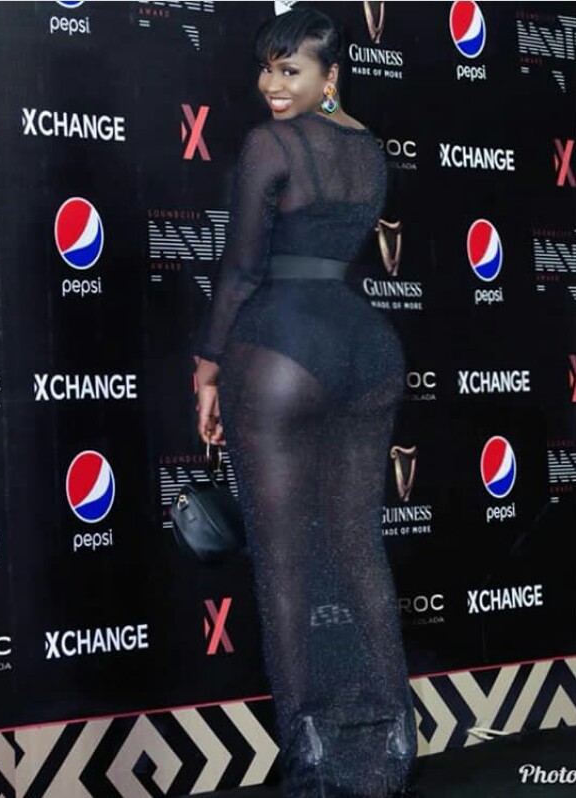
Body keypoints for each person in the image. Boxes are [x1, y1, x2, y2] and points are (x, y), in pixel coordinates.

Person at [193, 7, 418, 797]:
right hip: (366, 348)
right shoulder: (370, 149)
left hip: (282, 349)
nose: (272, 84)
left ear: (330, 76)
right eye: (267, 68)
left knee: (286, 562)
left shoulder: (270, 144)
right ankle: (390, 751)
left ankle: (316, 768)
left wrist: (206, 365)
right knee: (358, 549)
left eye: (291, 70)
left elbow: (241, 269)